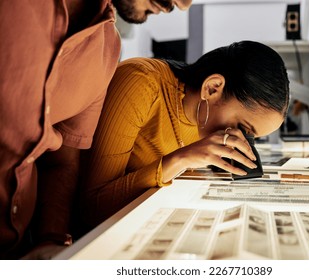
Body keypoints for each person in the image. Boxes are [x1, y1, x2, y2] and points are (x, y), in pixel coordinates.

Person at [0, 0, 192, 259]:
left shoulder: (107, 48)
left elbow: (63, 160)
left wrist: (51, 240)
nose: (183, 5)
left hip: (18, 246)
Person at [79, 40, 290, 230]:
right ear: (212, 88)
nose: (241, 139)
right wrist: (180, 159)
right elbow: (92, 210)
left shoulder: (205, 125)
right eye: (242, 128)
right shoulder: (140, 82)